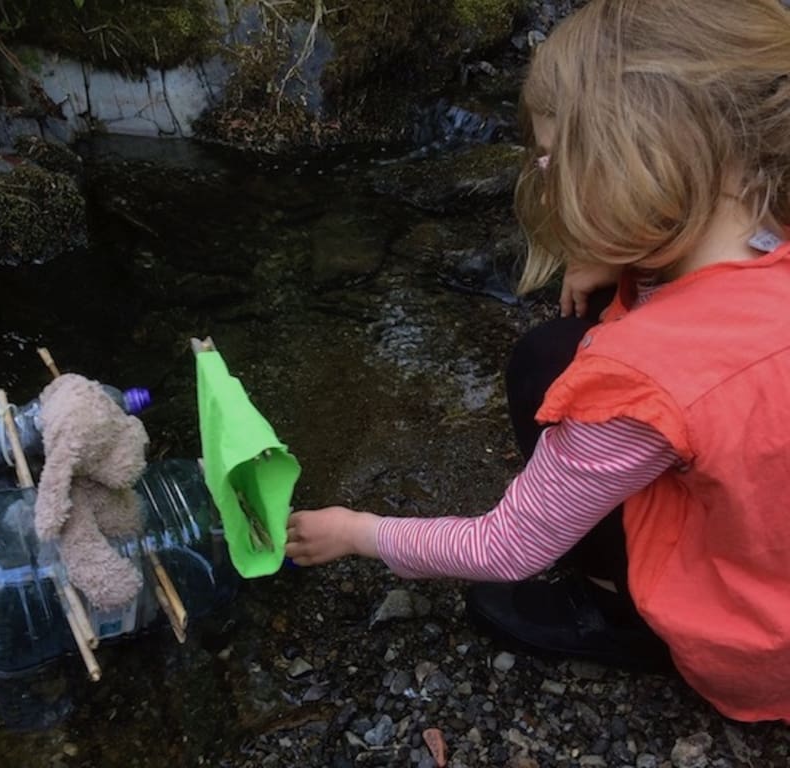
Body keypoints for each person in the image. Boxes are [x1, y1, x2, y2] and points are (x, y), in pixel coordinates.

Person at [285, 0, 790, 724]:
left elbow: (509, 546)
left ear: (632, 159)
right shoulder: (768, 216)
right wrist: (624, 259)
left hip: (755, 646)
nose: (545, 178)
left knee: (545, 365)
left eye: (553, 160)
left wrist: (356, 532)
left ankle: (619, 614)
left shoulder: (642, 371)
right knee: (564, 345)